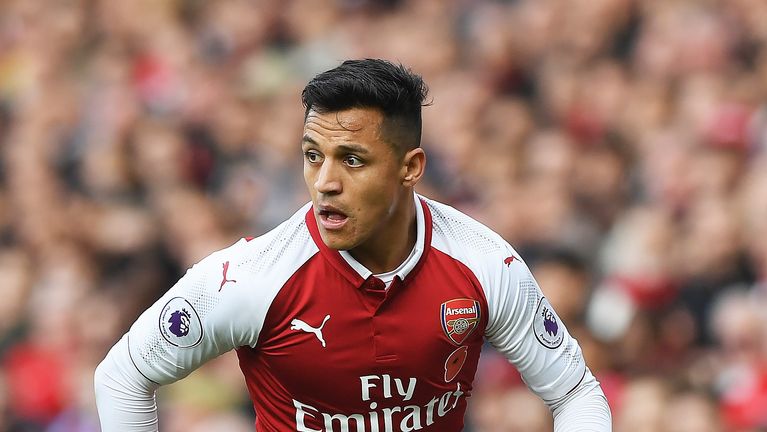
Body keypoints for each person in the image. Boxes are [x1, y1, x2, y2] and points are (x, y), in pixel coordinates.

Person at [94, 59, 612, 431]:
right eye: (313, 155)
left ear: (410, 167)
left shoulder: (483, 263)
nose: (324, 182)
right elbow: (122, 378)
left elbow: (575, 393)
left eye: (353, 159)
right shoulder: (251, 277)